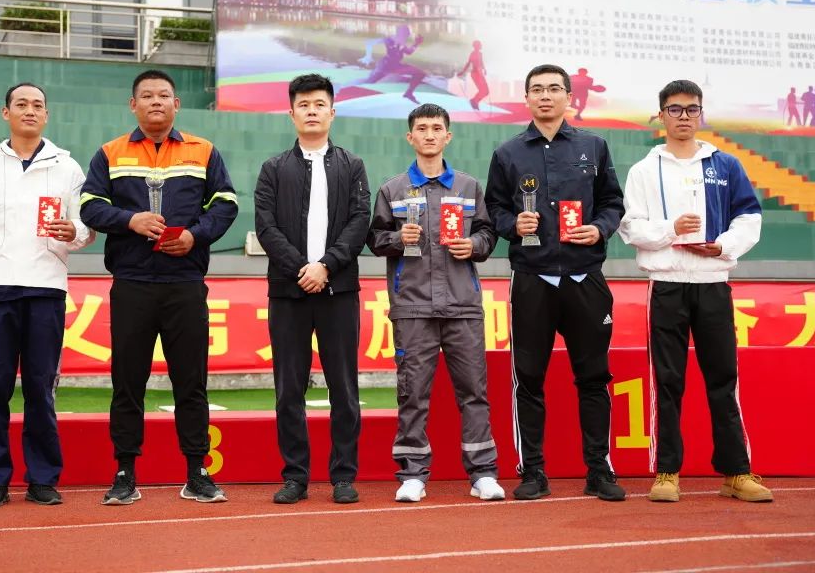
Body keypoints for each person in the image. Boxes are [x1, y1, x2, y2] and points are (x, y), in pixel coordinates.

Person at [81, 69, 238, 505]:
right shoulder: (110, 153)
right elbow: (90, 205)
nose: (156, 102)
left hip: (184, 282)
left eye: (164, 95)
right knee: (127, 381)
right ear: (133, 105)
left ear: (176, 104)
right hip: (132, 283)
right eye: (147, 95)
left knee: (191, 381)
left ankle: (197, 471)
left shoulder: (203, 151)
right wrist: (129, 220)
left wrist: (194, 236)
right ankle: (125, 472)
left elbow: (225, 204)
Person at [619, 80, 771, 504]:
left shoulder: (726, 165)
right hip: (666, 285)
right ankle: (667, 471)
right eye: (674, 109)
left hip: (713, 284)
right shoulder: (644, 170)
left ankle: (736, 472)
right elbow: (631, 227)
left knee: (723, 379)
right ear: (661, 115)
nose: (683, 116)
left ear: (701, 114)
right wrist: (671, 230)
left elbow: (749, 217)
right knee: (667, 381)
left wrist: (723, 246)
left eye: (691, 109)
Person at [484, 63, 626, 502]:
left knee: (594, 377)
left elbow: (613, 202)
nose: (545, 96)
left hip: (585, 277)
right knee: (528, 378)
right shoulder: (507, 153)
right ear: (526, 98)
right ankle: (533, 472)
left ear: (568, 96)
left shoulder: (593, 146)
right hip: (533, 278)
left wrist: (599, 228)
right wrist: (513, 224)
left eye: (553, 89)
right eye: (537, 90)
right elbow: (494, 209)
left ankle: (599, 471)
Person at [0, 82, 95, 508]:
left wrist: (74, 232)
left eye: (37, 105)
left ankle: (42, 478)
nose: (29, 111)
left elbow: (84, 229)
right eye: (21, 104)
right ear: (6, 113)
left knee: (40, 387)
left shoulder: (68, 168)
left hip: (46, 287)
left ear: (46, 115)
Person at [367, 103, 503, 504]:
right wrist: (398, 239)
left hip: (463, 306)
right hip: (412, 307)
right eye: (422, 128)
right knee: (412, 393)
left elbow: (488, 233)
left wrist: (473, 244)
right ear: (410, 137)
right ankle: (412, 474)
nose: (429, 134)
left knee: (474, 392)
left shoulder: (468, 186)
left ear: (448, 136)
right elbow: (374, 239)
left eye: (436, 128)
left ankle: (483, 473)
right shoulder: (392, 190)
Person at [254, 73, 370, 505]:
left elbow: (359, 221)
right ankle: (295, 476)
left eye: (319, 104)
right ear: (291, 114)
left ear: (332, 112)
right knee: (289, 389)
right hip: (289, 292)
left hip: (339, 290)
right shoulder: (274, 168)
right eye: (303, 105)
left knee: (344, 387)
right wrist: (302, 268)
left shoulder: (352, 165)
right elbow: (266, 226)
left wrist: (326, 266)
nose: (312, 111)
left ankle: (343, 475)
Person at [354, 24, 428, 103]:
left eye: (407, 35)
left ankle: (409, 93)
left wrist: (416, 44)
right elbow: (370, 42)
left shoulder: (401, 42)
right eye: (406, 35)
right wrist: (368, 56)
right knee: (370, 81)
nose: (406, 37)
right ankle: (353, 89)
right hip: (385, 66)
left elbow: (409, 52)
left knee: (420, 73)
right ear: (400, 33)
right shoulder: (389, 39)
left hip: (396, 66)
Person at [458, 40, 490, 111]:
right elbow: (469, 63)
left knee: (486, 91)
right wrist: (462, 72)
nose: (481, 46)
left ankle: (474, 101)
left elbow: (481, 62)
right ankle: (474, 101)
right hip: (476, 74)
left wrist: (484, 69)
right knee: (483, 91)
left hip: (480, 74)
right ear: (476, 46)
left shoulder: (480, 54)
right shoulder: (473, 54)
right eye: (479, 45)